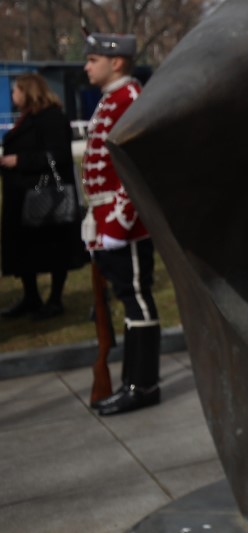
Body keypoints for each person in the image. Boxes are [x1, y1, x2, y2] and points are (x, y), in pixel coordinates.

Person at [81, 32, 162, 417]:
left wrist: (118, 221)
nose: (86, 66)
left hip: (124, 225)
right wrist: (95, 218)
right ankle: (133, 382)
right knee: (127, 301)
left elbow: (136, 167)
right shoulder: (110, 101)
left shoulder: (129, 100)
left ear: (116, 62)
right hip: (106, 220)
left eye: (93, 59)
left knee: (138, 300)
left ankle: (142, 384)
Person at [0, 74, 86, 319]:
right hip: (22, 192)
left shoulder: (52, 118)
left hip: (45, 194)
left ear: (28, 91)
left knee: (55, 247)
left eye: (16, 90)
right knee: (24, 249)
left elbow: (57, 155)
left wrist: (20, 160)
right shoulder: (28, 118)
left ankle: (54, 299)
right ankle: (31, 297)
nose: (13, 95)